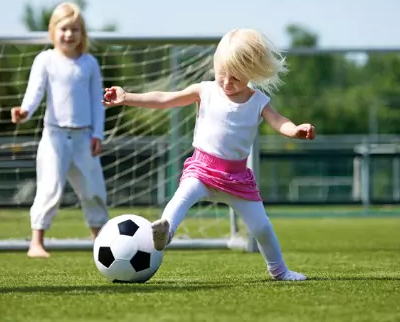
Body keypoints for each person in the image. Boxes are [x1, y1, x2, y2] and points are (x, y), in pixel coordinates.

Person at [102, 28, 315, 281]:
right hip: (201, 170)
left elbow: (280, 122)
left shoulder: (259, 101)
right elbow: (164, 99)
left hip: (237, 179)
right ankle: (164, 234)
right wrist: (128, 97)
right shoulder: (205, 90)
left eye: (235, 77)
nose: (226, 82)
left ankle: (279, 271)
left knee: (262, 227)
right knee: (179, 201)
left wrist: (296, 131)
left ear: (252, 72)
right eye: (222, 74)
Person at [11, 2, 109, 258]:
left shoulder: (89, 63)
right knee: (49, 188)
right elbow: (34, 93)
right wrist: (24, 112)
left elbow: (98, 102)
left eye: (75, 29)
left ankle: (99, 242)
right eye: (64, 28)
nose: (69, 34)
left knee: (93, 190)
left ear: (82, 33)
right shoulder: (45, 60)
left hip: (85, 137)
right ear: (52, 30)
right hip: (54, 138)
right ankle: (37, 242)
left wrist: (98, 133)